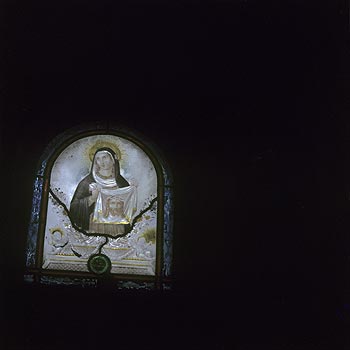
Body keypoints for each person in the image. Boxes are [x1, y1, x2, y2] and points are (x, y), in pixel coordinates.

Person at [70, 148, 137, 237]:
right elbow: (74, 207)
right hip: (95, 224)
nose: (101, 161)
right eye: (98, 159)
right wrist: (92, 198)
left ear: (113, 159)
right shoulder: (88, 182)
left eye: (105, 157)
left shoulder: (121, 182)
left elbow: (128, 207)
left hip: (117, 224)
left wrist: (132, 190)